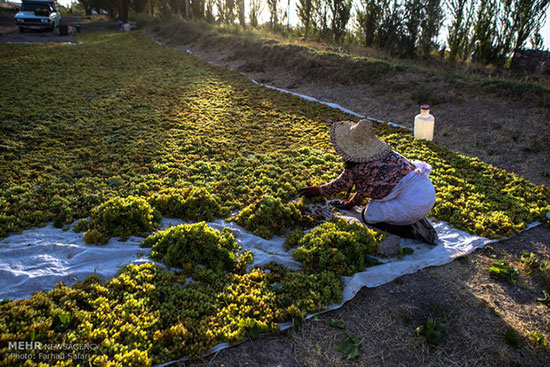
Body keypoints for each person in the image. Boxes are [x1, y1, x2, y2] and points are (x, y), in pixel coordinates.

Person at [298, 119, 438, 245]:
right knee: (383, 202)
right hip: (427, 192)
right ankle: (415, 217)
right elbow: (365, 190)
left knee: (369, 215)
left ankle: (411, 230)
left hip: (411, 203)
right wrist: (351, 203)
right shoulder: (386, 153)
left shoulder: (358, 166)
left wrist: (317, 190)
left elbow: (340, 185)